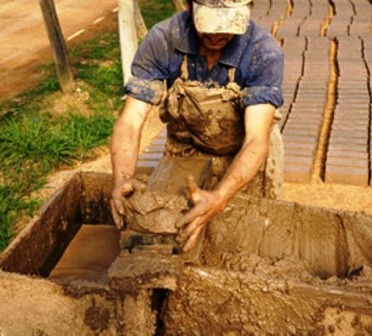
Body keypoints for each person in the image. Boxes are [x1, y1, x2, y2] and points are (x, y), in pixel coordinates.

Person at [111, 0, 284, 252]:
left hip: (244, 154)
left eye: (226, 25)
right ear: (189, 7)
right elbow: (131, 119)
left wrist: (219, 197)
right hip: (186, 150)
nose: (216, 35)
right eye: (209, 24)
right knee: (176, 238)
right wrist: (121, 179)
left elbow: (256, 139)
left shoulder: (263, 52)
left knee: (245, 244)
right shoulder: (164, 39)